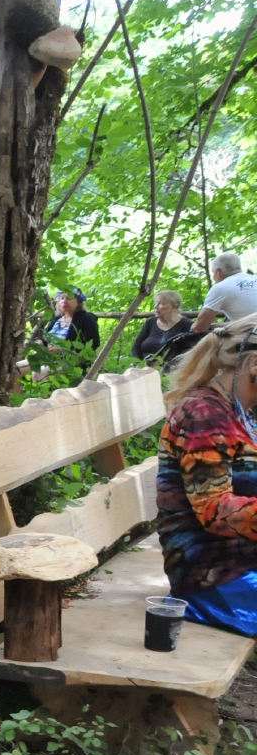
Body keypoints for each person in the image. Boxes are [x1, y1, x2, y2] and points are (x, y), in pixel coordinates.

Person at [155, 311, 257, 634]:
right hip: (211, 574)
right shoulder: (203, 414)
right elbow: (214, 509)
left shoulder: (245, 413)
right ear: (255, 364)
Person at [192, 252, 257, 335]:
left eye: (213, 272)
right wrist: (214, 325)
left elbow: (199, 328)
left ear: (218, 272)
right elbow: (249, 321)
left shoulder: (221, 288)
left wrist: (202, 325)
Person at [131, 290, 196, 363]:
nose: (156, 306)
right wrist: (138, 365)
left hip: (170, 370)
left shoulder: (187, 324)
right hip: (143, 368)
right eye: (156, 303)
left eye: (161, 303)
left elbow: (188, 353)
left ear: (174, 306)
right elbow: (136, 348)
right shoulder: (151, 322)